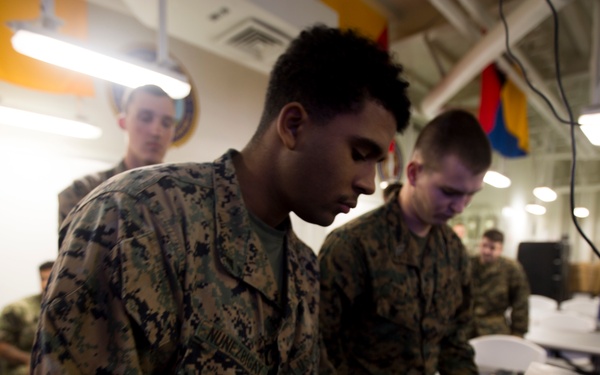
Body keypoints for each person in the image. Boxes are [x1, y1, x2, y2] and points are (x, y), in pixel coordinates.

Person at [31, 25, 411, 374]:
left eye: (377, 163)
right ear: (293, 126)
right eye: (361, 154)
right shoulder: (134, 218)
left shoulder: (303, 268)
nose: (369, 184)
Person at [319, 108, 492, 374]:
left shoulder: (453, 252)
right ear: (413, 173)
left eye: (470, 195)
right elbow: (319, 351)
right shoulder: (352, 246)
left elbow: (454, 343)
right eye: (449, 192)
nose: (460, 207)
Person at [57, 84, 176, 227]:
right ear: (123, 122)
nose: (157, 131)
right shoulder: (84, 194)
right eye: (145, 118)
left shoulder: (179, 198)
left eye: (166, 123)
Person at [469, 228, 530, 338]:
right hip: (466, 327)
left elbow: (521, 304)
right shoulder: (469, 265)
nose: (486, 251)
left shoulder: (511, 269)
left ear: (500, 249)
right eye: (484, 245)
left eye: (492, 248)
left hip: (494, 329)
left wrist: (518, 333)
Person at [0, 261, 54, 375]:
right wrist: (30, 360)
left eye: (50, 279)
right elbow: (2, 344)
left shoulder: (73, 309)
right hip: (24, 368)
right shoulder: (18, 309)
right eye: (42, 279)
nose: (45, 284)